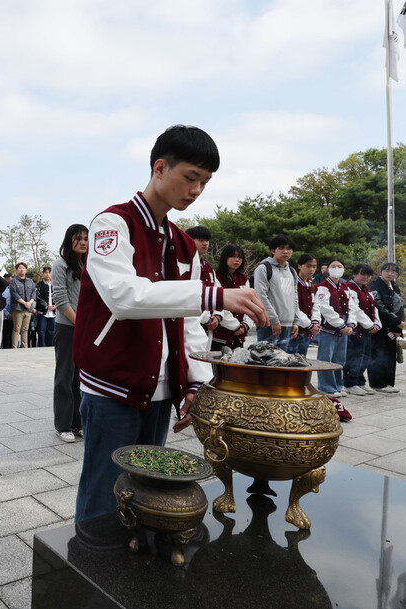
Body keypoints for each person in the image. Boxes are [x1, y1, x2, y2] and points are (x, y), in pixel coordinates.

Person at [72, 125, 267, 522]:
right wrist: (212, 295)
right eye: (190, 177)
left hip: (161, 388)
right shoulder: (112, 224)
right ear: (160, 167)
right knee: (103, 490)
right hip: (114, 383)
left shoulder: (181, 242)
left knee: (146, 487)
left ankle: (132, 564)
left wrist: (193, 380)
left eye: (205, 182)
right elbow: (124, 297)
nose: (196, 190)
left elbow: (189, 321)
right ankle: (89, 570)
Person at [51, 224, 87, 443]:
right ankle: (63, 425)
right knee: (64, 377)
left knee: (81, 378)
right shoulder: (60, 264)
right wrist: (81, 324)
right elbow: (61, 300)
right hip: (67, 328)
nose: (83, 242)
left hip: (85, 329)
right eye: (78, 238)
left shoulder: (90, 265)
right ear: (69, 240)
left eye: (85, 238)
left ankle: (78, 423)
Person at [314, 258, 365, 398]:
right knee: (326, 358)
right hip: (329, 326)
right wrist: (341, 325)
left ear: (344, 270)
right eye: (333, 266)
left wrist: (350, 324)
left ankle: (338, 385)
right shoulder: (323, 286)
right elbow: (325, 308)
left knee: (340, 358)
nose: (336, 269)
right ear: (327, 269)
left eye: (339, 266)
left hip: (344, 325)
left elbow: (352, 307)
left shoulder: (345, 287)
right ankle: (326, 387)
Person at [253, 234, 299, 350]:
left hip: (288, 324)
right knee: (266, 359)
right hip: (269, 324)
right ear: (273, 251)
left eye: (289, 249)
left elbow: (295, 297)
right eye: (281, 248)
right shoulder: (263, 269)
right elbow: (261, 296)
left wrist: (296, 321)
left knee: (282, 362)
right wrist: (273, 319)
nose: (285, 251)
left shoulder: (292, 272)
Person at [344, 264, 380, 395]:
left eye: (368, 275)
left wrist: (377, 324)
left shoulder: (366, 289)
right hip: (356, 329)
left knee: (365, 356)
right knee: (354, 356)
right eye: (362, 274)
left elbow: (374, 307)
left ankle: (360, 381)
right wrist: (370, 325)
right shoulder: (350, 287)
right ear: (354, 274)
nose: (365, 277)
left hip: (367, 329)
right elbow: (355, 309)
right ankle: (350, 382)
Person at [210, 244, 255, 352]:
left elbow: (249, 303)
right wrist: (235, 326)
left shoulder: (243, 279)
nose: (237, 260)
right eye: (233, 256)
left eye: (239, 257)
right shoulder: (216, 277)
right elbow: (219, 303)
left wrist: (245, 325)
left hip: (239, 336)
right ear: (225, 258)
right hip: (220, 335)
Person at [369, 262, 405, 393]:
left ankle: (388, 382)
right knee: (378, 354)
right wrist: (397, 321)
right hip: (379, 326)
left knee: (390, 355)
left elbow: (400, 307)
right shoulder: (373, 286)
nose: (390, 273)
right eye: (387, 270)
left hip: (393, 327)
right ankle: (377, 383)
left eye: (394, 271)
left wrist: (398, 328)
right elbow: (379, 307)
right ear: (381, 271)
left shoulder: (394, 287)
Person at [186, 226, 221, 342]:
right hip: (190, 323)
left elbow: (217, 291)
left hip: (209, 325)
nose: (205, 244)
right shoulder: (185, 265)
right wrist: (206, 318)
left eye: (207, 240)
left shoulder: (209, 268)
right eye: (201, 240)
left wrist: (216, 316)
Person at [286, 253, 321, 357]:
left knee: (302, 360)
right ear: (299, 266)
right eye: (308, 266)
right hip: (294, 329)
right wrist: (309, 324)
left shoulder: (312, 286)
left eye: (314, 266)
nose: (311, 269)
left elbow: (316, 306)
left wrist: (315, 322)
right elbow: (293, 307)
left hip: (307, 331)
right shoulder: (293, 283)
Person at [9, 262, 36, 348]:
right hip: (18, 308)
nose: (22, 269)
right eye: (20, 268)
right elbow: (14, 294)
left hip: (28, 309)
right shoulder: (13, 281)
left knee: (25, 329)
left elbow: (33, 293)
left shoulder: (30, 281)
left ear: (26, 270)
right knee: (17, 329)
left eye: (23, 268)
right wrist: (25, 303)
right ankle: (15, 347)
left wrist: (30, 303)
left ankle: (25, 346)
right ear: (17, 270)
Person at [35, 267, 57, 347]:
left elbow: (59, 295)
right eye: (46, 272)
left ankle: (50, 346)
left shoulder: (55, 284)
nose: (48, 274)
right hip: (43, 312)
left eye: (49, 273)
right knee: (41, 331)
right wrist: (46, 306)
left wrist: (56, 305)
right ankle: (41, 347)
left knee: (51, 331)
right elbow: (38, 297)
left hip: (53, 312)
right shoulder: (39, 285)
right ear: (43, 274)